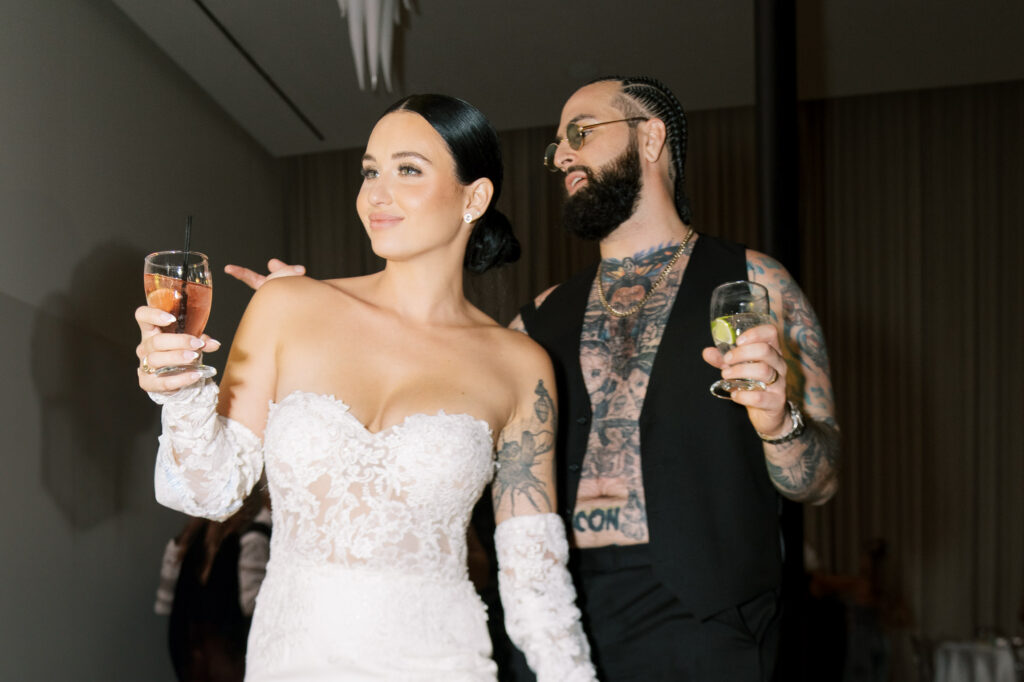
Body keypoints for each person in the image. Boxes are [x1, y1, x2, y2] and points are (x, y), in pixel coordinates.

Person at [229, 76, 841, 681]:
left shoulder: (753, 285)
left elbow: (819, 481)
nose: (563, 156)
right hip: (557, 613)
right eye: (557, 145)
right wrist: (316, 333)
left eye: (582, 133)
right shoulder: (536, 320)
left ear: (650, 138)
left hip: (706, 620)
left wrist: (777, 421)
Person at [135, 94, 597, 681]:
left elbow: (536, 583)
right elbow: (209, 493)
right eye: (370, 171)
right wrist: (179, 389)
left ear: (474, 197)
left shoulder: (520, 365)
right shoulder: (288, 305)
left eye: (408, 169)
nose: (376, 193)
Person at [154, 489, 271, 682]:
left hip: (188, 655)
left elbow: (164, 604)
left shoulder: (186, 541)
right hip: (228, 658)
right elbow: (250, 605)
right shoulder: (247, 541)